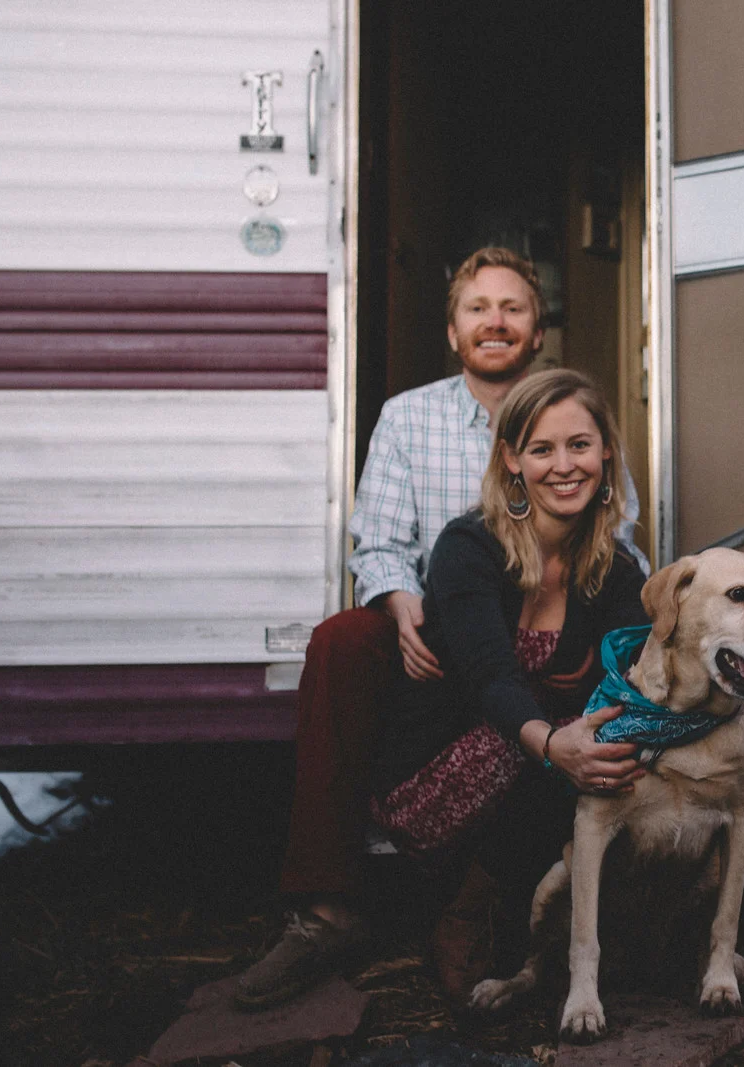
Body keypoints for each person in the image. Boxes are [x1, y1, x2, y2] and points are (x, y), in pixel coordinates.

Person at [233, 249, 644, 1009]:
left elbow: (623, 544)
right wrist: (400, 601)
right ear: (454, 332)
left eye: (513, 307)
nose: (495, 320)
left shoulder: (571, 416)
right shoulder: (410, 416)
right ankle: (325, 908)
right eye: (477, 308)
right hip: (432, 626)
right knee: (340, 639)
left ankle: (520, 896)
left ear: (537, 327)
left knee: (582, 683)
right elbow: (380, 541)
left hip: (538, 633)